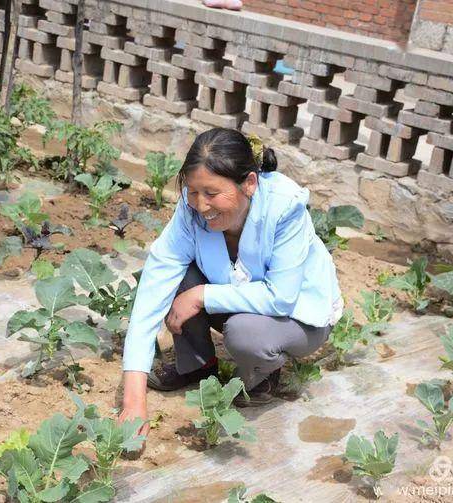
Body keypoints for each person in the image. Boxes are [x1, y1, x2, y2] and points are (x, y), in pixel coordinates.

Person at [118, 128, 343, 434]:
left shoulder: (284, 208)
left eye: (212, 193)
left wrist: (201, 295)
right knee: (177, 274)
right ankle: (198, 366)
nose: (201, 204)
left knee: (244, 333)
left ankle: (261, 375)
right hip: (242, 296)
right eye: (194, 192)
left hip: (297, 317)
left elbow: (281, 298)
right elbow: (152, 291)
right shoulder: (191, 209)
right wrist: (133, 402)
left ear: (249, 183)